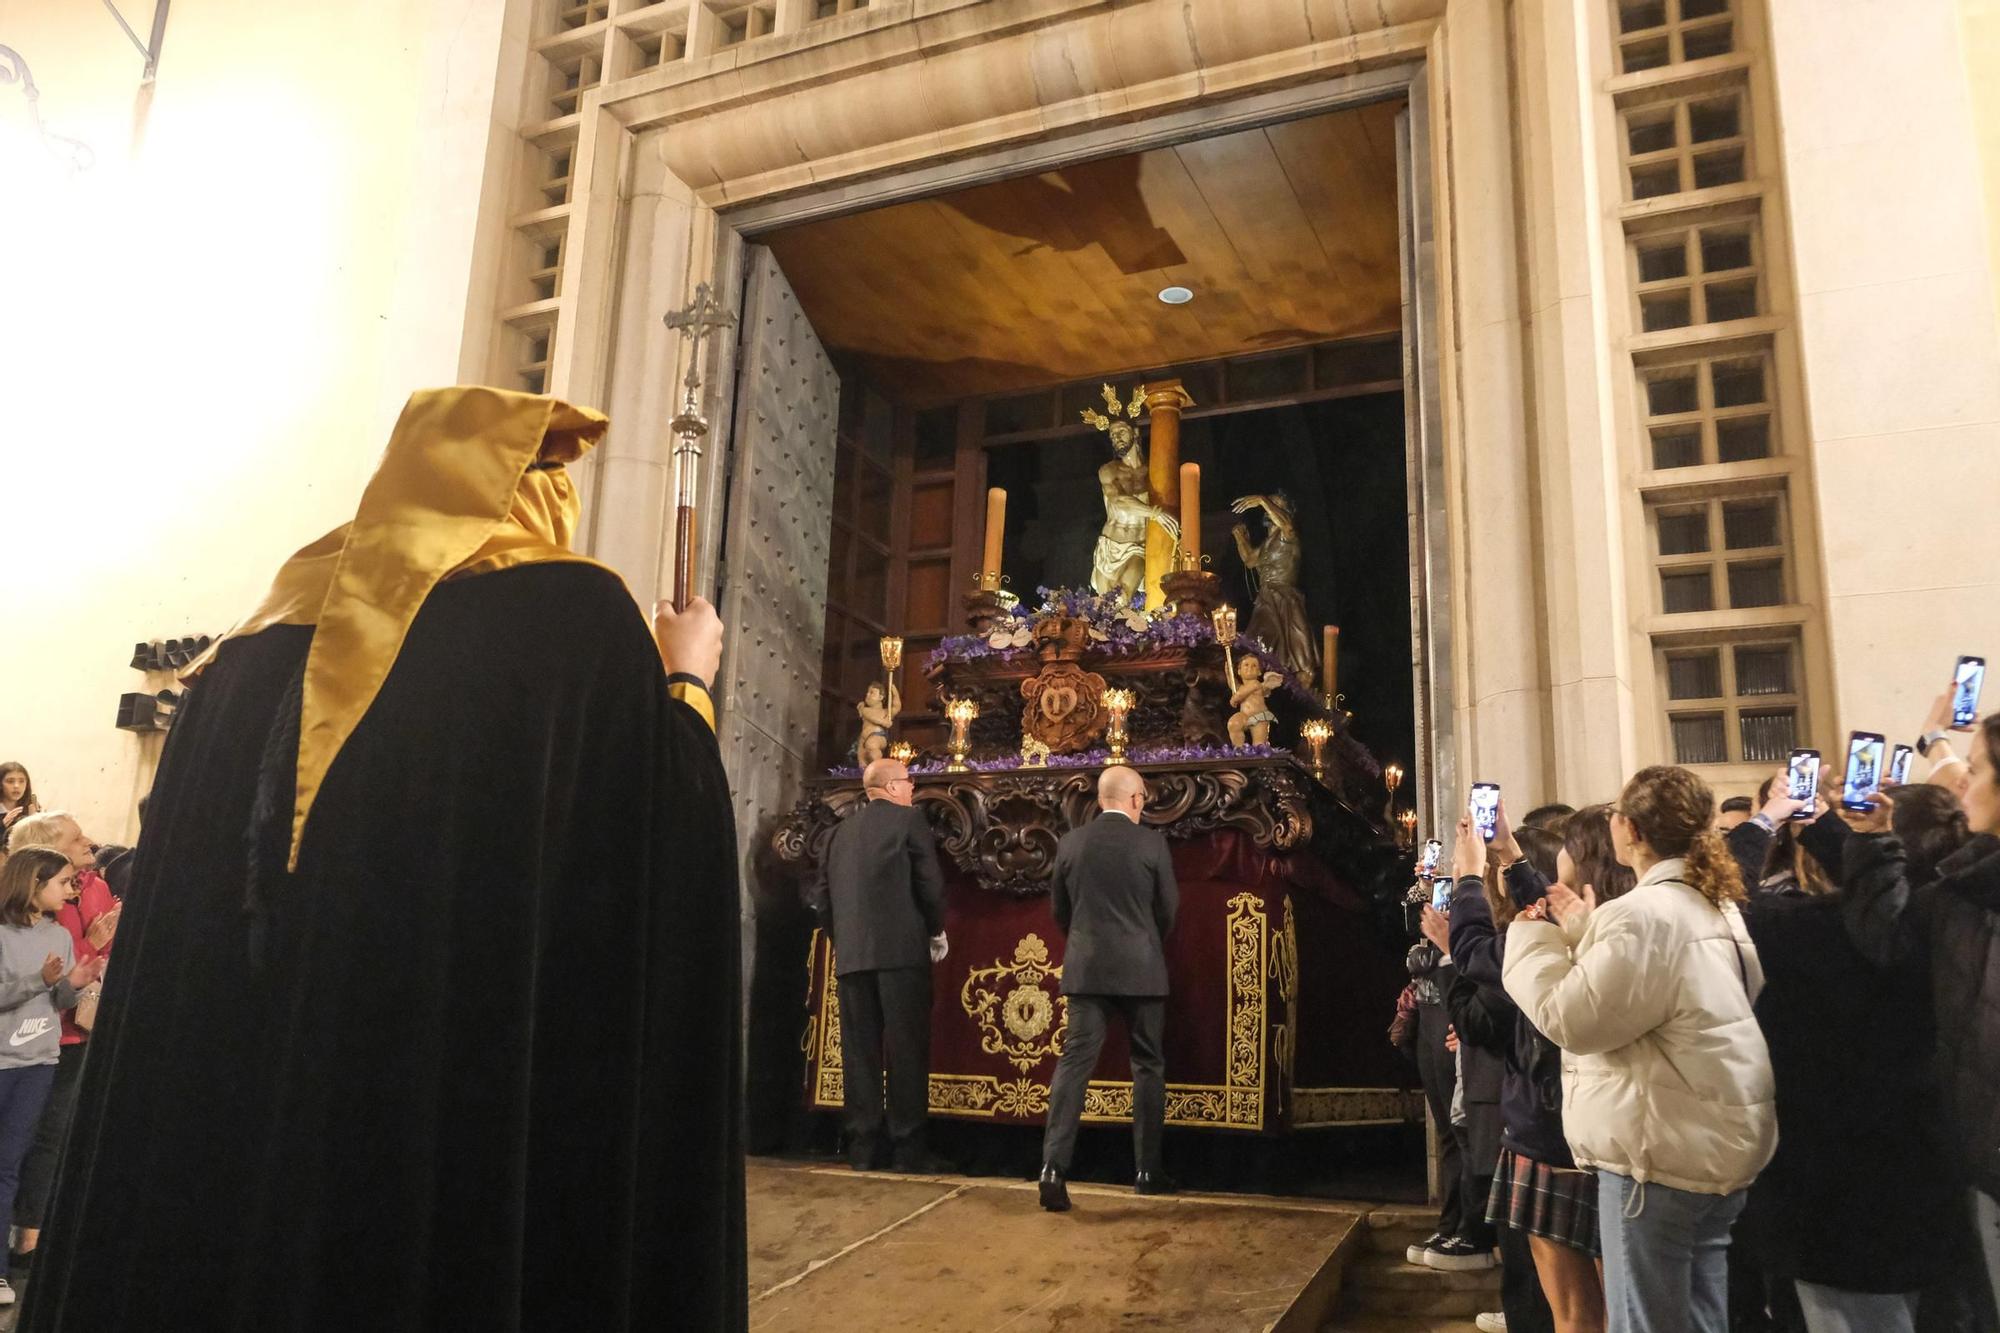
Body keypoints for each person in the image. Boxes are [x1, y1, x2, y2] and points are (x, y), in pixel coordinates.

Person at [22, 388, 746, 1332]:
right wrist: (685, 678)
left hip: (235, 1144)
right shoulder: (570, 617)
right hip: (439, 1121)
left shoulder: (243, 657)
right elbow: (660, 854)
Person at [1504, 765, 1776, 1333]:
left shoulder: (1642, 914)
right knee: (1699, 1319)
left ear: (1629, 829)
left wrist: (1531, 933)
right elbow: (1659, 994)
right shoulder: (1710, 903)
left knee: (1645, 1323)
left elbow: (1569, 1018)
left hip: (1658, 1158)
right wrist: (1587, 931)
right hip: (1716, 1146)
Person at [1721, 775, 1965, 1333]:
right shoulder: (1948, 921)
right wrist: (1833, 832)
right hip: (1929, 1176)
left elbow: (1726, 894)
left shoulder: (1817, 932)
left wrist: (1768, 820)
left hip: (1832, 1194)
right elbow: (1878, 891)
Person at [1843, 713, 2000, 1320]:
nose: (1964, 786)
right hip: (1980, 1159)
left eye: (1978, 770)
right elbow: (1889, 941)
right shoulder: (1966, 887)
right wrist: (1874, 838)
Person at [1454, 804, 1623, 1333]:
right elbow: (1549, 906)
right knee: (1619, 1304)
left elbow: (1476, 953)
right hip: (1610, 1137)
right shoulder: (1619, 920)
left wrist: (1465, 880)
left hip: (1551, 1131)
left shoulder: (1559, 928)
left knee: (1575, 1312)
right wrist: (1510, 854)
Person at [1039, 765, 1179, 1212]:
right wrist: (1144, 943)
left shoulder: (1070, 843)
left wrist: (1085, 944)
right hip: (1142, 969)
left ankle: (1052, 1169)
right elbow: (1167, 910)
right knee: (1147, 1065)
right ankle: (1146, 1172)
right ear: (1136, 799)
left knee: (1074, 1065)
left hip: (1086, 969)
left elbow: (1060, 910)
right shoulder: (1152, 844)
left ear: (1101, 799)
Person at [811, 756, 948, 1173]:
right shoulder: (910, 823)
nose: (912, 788)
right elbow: (928, 881)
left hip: (852, 958)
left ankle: (862, 1149)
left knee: (860, 1053)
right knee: (906, 1050)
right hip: (902, 954)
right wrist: (936, 931)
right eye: (908, 782)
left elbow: (823, 900)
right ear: (891, 788)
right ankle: (908, 1150)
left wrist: (846, 942)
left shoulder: (836, 835)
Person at [2, 812, 119, 1274]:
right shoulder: (19, 920)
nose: (88, 841)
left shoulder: (90, 889)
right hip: (16, 1045)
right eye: (75, 839)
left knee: (45, 1138)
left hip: (59, 1041)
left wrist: (88, 963)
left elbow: (68, 984)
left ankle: (27, 1238)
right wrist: (82, 951)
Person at [0, 766, 37, 834]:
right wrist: (2, 826)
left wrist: (35, 822)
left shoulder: (31, 808)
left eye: (21, 781)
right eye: (10, 781)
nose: (16, 786)